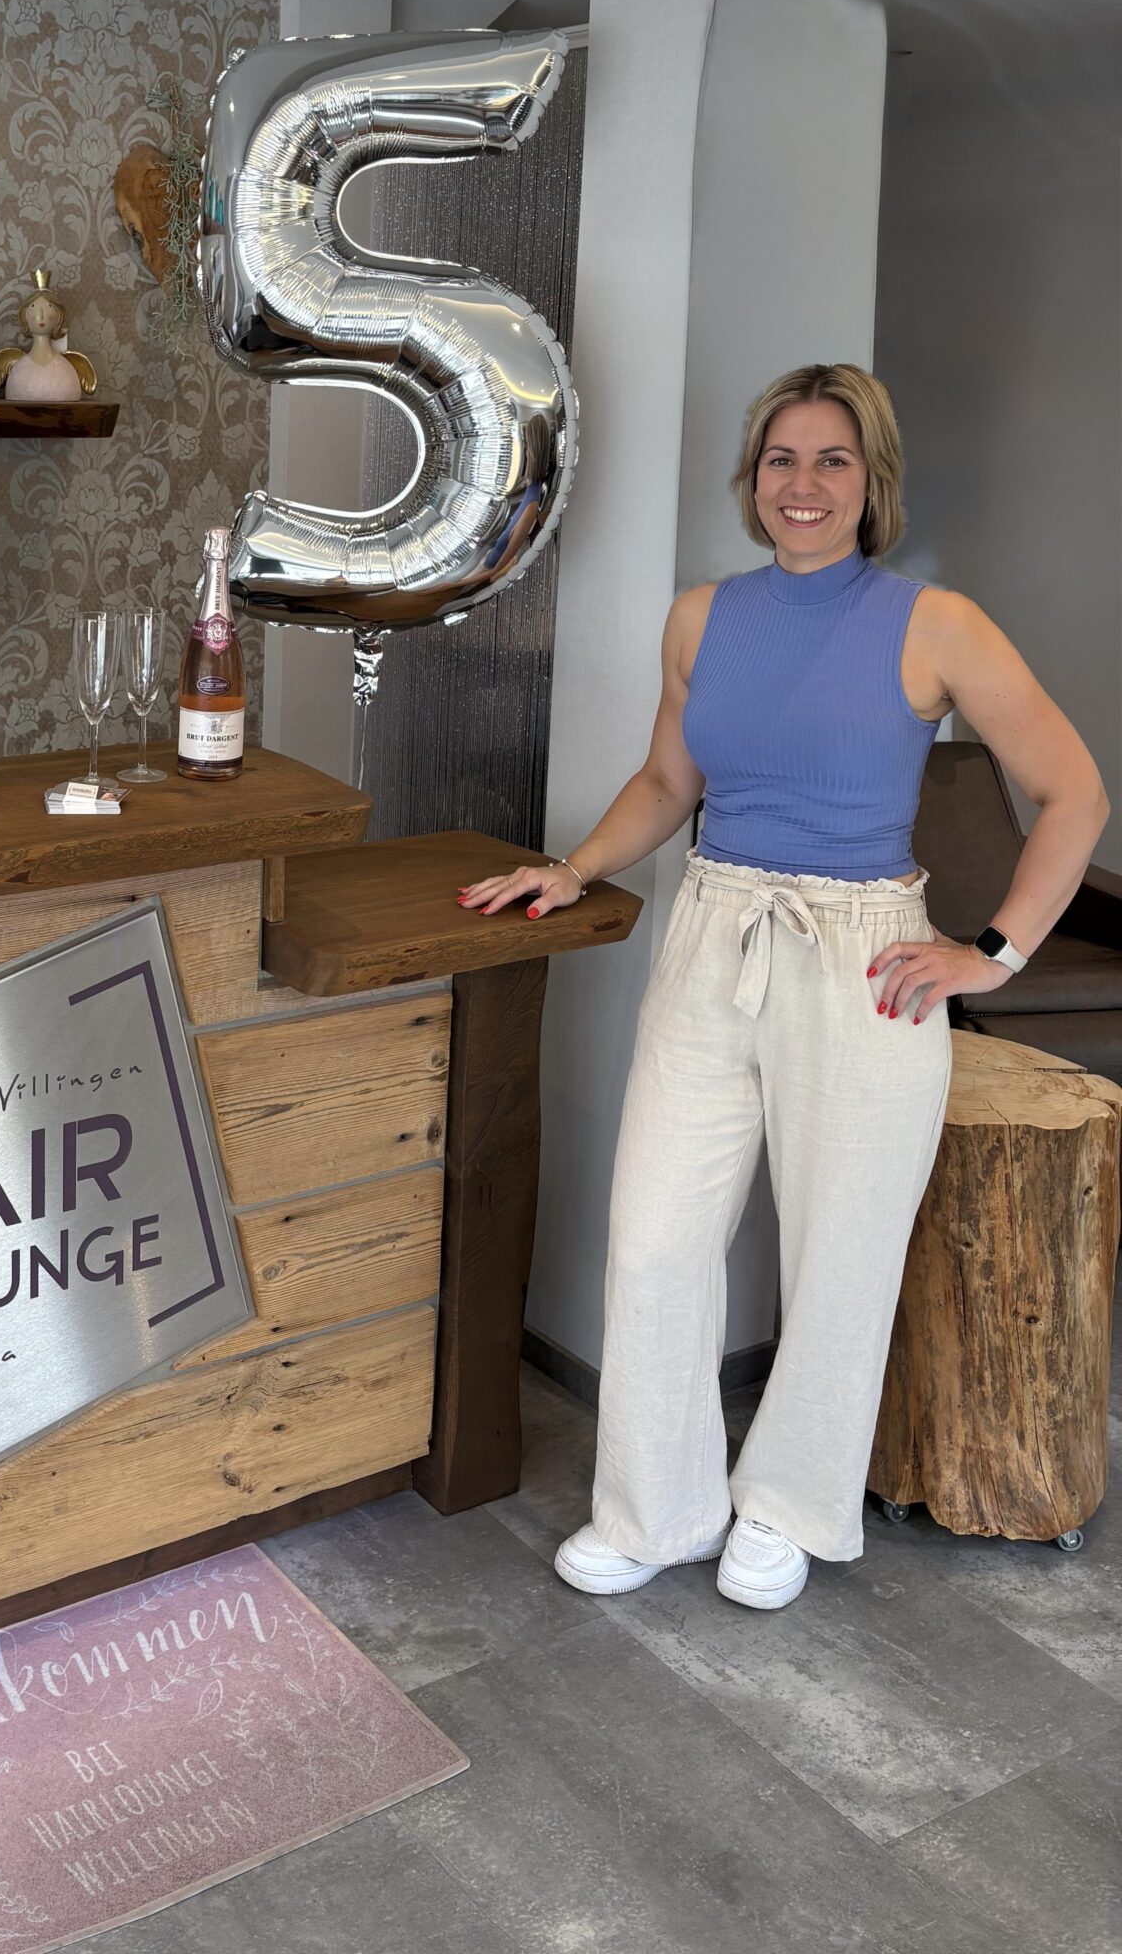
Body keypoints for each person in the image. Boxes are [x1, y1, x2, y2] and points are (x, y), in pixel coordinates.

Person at [460, 364, 1109, 1611]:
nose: (803, 484)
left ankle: (787, 1504)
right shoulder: (701, 617)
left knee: (840, 1255)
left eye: (832, 460)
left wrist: (993, 953)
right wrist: (572, 867)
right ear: (752, 478)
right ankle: (656, 1507)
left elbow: (1074, 791)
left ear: (873, 482)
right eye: (781, 459)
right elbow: (669, 782)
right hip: (715, 931)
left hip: (863, 954)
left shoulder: (936, 624)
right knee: (654, 1239)